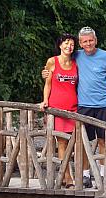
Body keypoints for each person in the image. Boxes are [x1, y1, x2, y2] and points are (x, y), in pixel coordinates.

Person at [42, 27, 106, 188]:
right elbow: (51, 75)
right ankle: (82, 176)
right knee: (82, 142)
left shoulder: (105, 56)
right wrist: (45, 78)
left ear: (95, 40)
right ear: (80, 44)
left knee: (103, 141)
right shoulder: (73, 56)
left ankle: (102, 176)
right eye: (84, 41)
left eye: (91, 40)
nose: (88, 43)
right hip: (80, 106)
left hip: (99, 105)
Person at [39, 33, 78, 189]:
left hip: (74, 108)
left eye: (72, 44)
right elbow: (47, 83)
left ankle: (65, 175)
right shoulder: (52, 61)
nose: (69, 46)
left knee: (74, 143)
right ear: (60, 45)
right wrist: (45, 100)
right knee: (61, 142)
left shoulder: (76, 63)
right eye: (66, 43)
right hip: (57, 108)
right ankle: (67, 177)